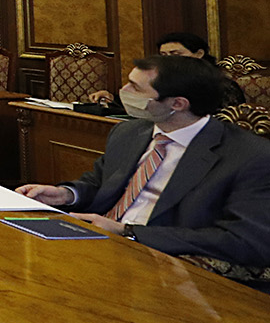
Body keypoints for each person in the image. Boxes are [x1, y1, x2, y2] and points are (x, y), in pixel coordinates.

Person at [17, 56, 270, 266]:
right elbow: (100, 182)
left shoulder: (249, 156)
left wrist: (128, 232)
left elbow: (245, 240)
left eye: (135, 88)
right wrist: (65, 194)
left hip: (164, 261)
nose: (123, 92)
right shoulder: (129, 132)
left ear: (178, 103)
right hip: (95, 244)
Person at [86, 31, 244, 106]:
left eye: (175, 54)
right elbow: (146, 102)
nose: (168, 60)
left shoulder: (220, 85)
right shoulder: (160, 79)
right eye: (164, 55)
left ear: (198, 54)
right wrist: (112, 99)